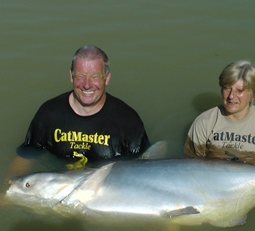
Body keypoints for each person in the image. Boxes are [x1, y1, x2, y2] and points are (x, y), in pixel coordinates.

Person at [9, 45, 150, 176]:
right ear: (71, 76)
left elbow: (145, 167)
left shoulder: (128, 121)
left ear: (106, 78)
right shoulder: (49, 114)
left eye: (95, 77)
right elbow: (26, 156)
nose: (87, 85)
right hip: (62, 183)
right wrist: (5, 191)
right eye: (80, 76)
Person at [183, 60, 255, 196]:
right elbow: (191, 168)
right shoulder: (204, 122)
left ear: (253, 95)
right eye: (227, 88)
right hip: (213, 188)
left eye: (239, 90)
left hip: (252, 187)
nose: (231, 96)